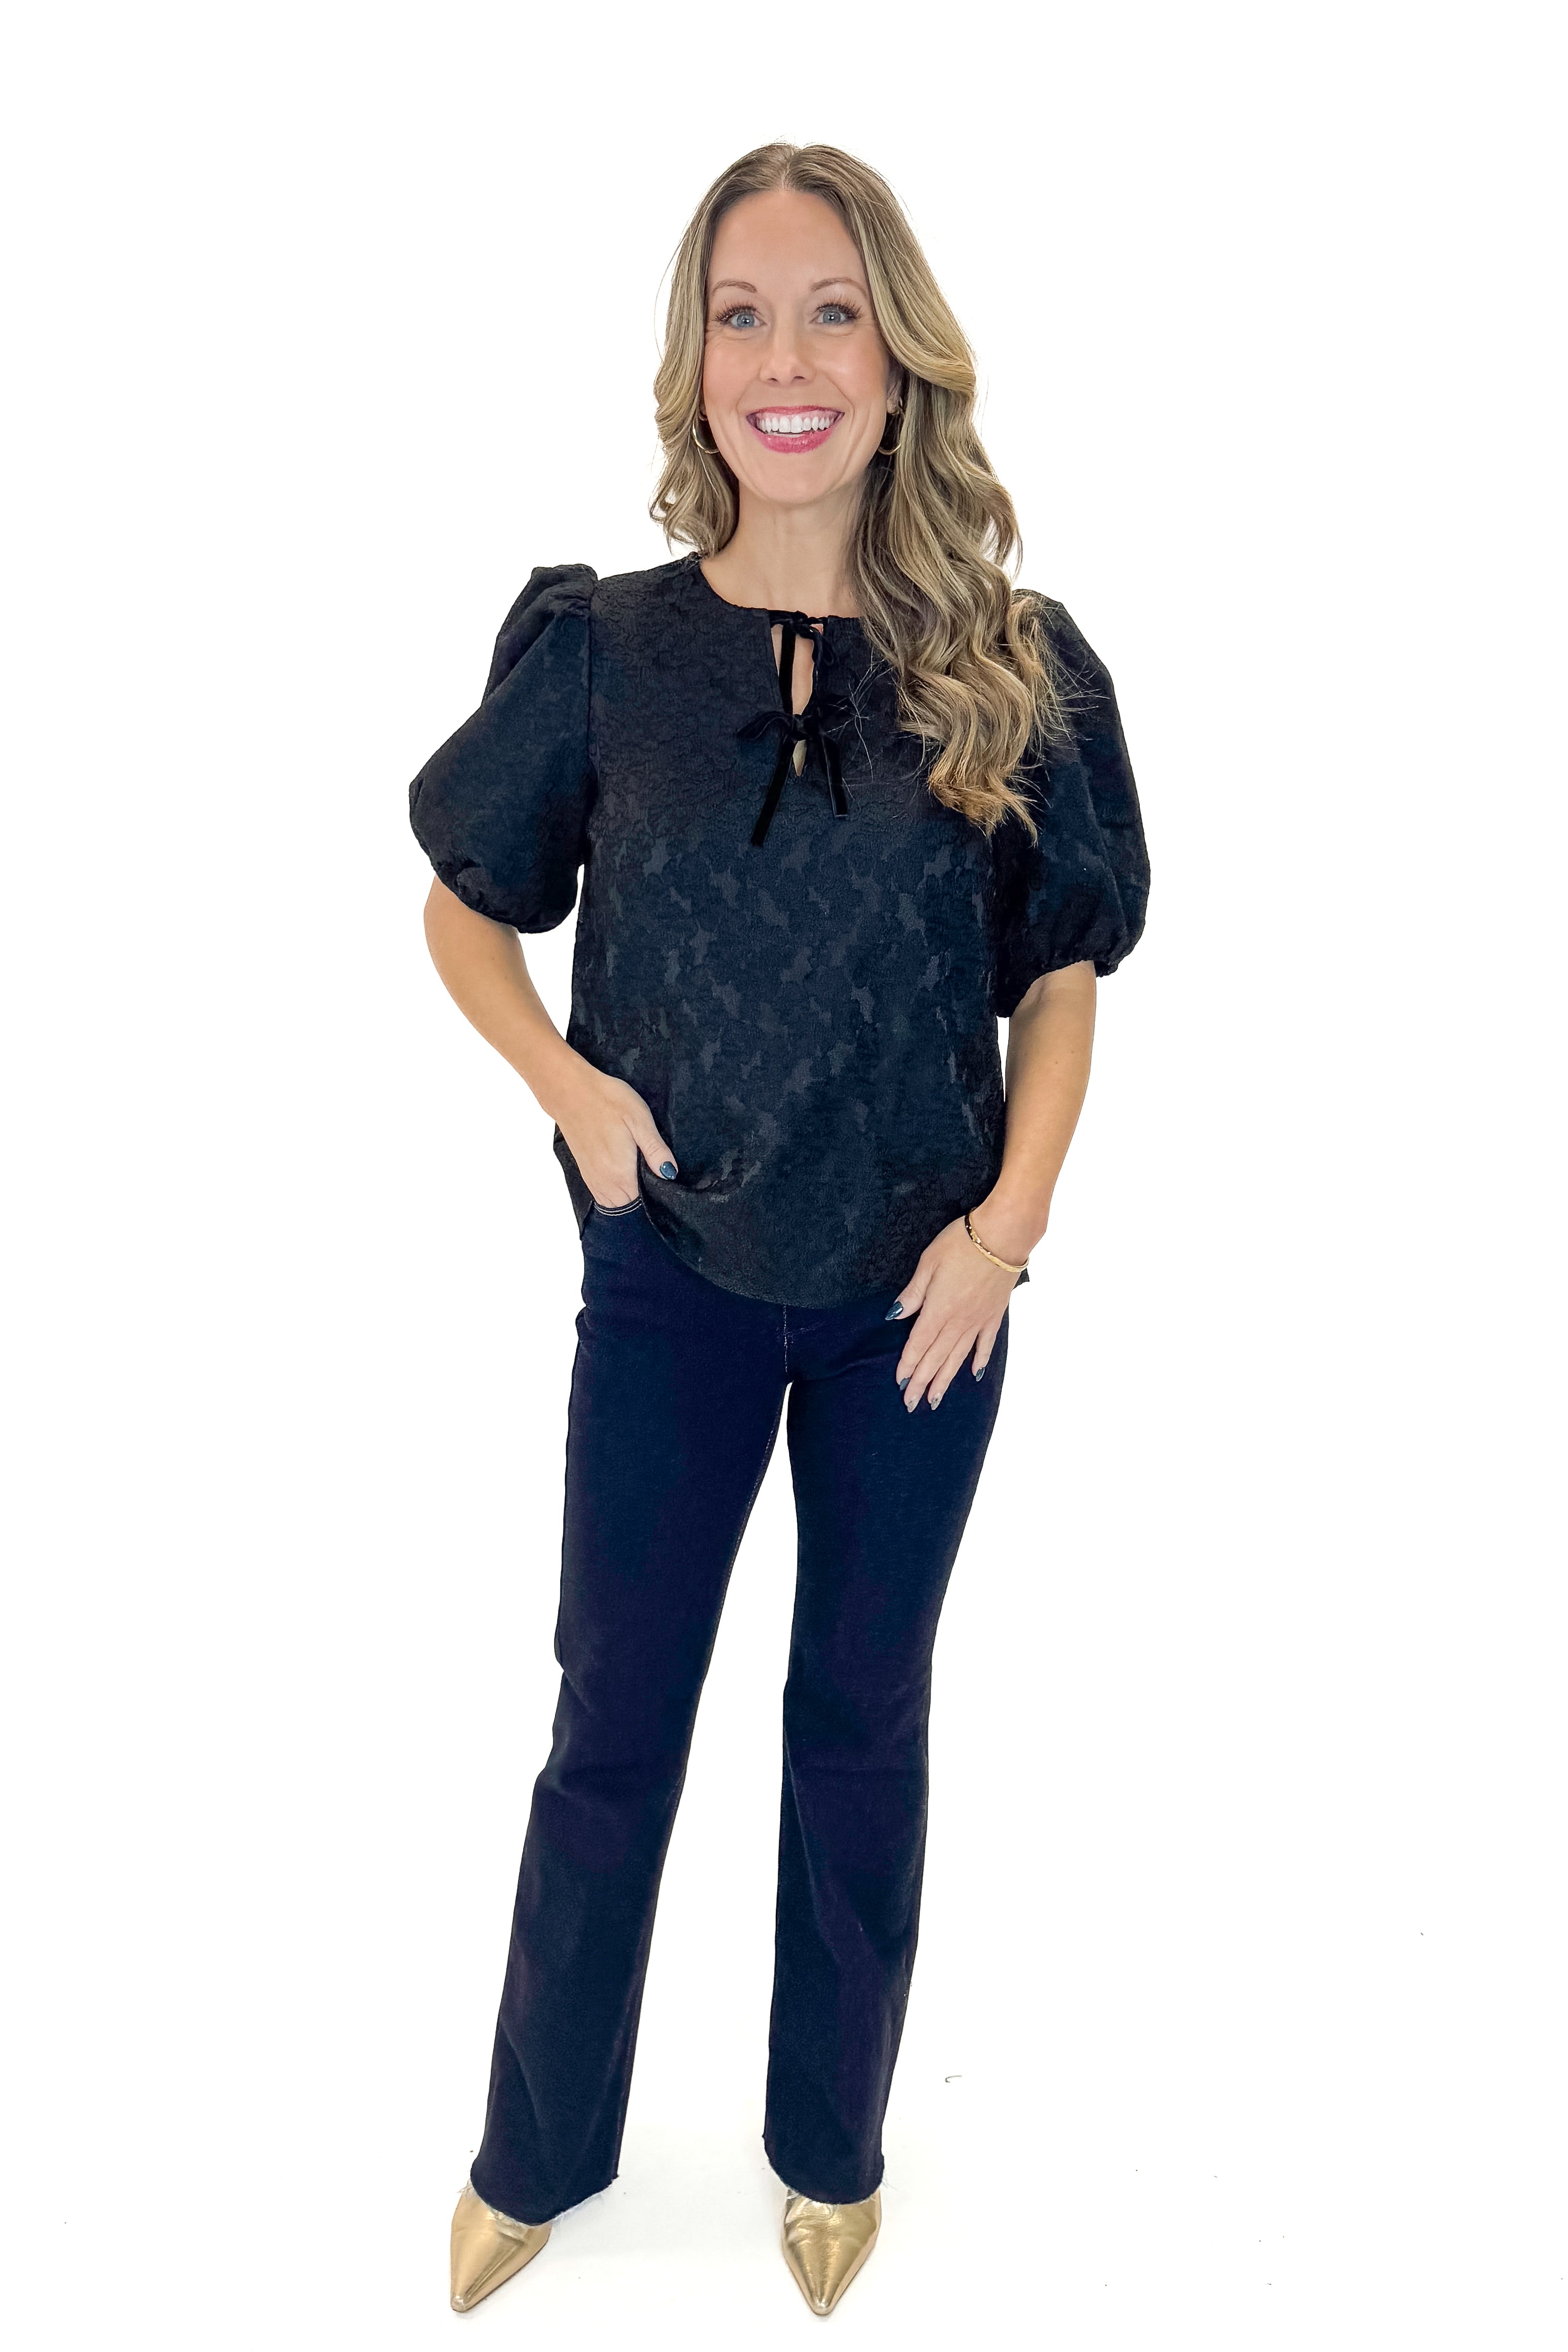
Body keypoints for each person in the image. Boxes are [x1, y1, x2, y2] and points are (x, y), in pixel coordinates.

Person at [411, 140, 1149, 2319]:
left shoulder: (1011, 659)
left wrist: (1004, 1230)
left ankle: (828, 2152)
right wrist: (570, 1088)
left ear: (896, 353)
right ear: (692, 362)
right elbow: (464, 908)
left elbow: (1059, 977)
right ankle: (537, 2156)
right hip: (669, 1285)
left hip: (922, 1297)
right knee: (610, 1722)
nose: (786, 357)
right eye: (741, 312)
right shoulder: (607, 652)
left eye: (829, 307)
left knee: (860, 1714)